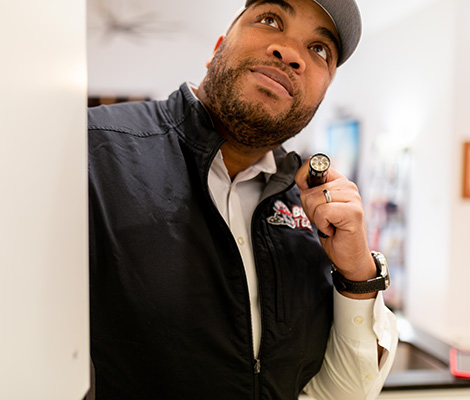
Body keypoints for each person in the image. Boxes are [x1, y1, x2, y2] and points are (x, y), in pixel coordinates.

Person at [87, 0, 398, 399]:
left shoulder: (310, 213)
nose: (289, 53)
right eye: (271, 20)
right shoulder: (93, 151)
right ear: (217, 48)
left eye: (319, 49)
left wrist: (357, 273)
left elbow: (341, 393)